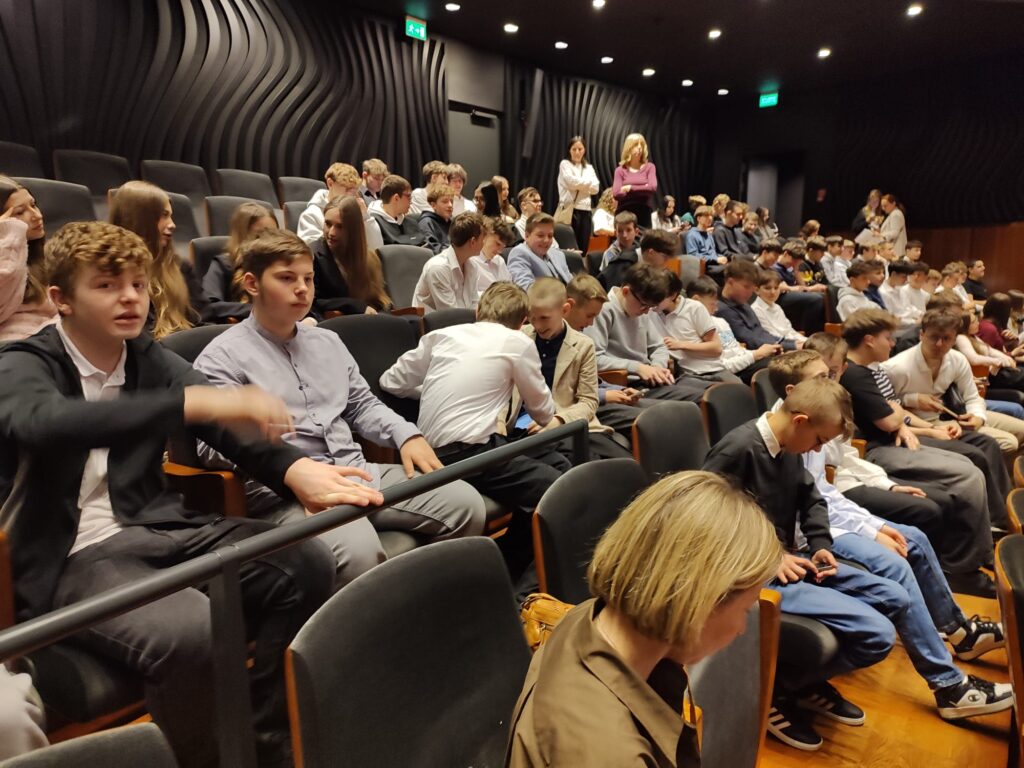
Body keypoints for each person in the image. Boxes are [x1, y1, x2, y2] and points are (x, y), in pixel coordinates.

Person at [0, 220, 389, 766]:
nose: (130, 297)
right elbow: (43, 423)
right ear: (61, 299)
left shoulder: (144, 354)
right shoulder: (22, 362)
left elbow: (224, 423)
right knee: (192, 630)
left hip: (156, 525)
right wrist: (191, 404)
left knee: (306, 563)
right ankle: (208, 758)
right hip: (72, 552)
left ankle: (265, 731)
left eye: (138, 283)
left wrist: (294, 469)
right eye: (107, 285)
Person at [194, 229, 484, 583]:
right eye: (286, 278)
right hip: (287, 494)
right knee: (359, 551)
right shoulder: (221, 357)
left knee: (466, 505)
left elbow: (361, 405)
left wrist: (407, 435)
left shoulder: (328, 341)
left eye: (308, 278)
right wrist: (264, 441)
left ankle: (424, 599)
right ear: (252, 284)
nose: (302, 289)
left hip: (356, 471)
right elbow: (210, 447)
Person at [768, 351, 1011, 722]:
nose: (831, 384)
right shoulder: (788, 435)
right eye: (821, 378)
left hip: (825, 523)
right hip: (809, 537)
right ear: (792, 392)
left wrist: (876, 526)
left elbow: (823, 493)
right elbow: (805, 513)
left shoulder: (813, 423)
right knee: (897, 563)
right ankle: (948, 684)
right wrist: (869, 529)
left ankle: (959, 632)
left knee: (912, 537)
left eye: (830, 375)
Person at [507, 470, 782, 768]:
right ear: (702, 603)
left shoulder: (584, 616)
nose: (741, 629)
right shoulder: (613, 756)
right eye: (744, 610)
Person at [703, 379, 898, 751]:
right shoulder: (737, 450)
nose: (819, 449)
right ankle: (776, 690)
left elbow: (812, 500)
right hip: (751, 572)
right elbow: (707, 525)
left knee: (894, 598)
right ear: (800, 421)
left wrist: (821, 544)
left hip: (789, 560)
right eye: (820, 440)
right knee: (878, 634)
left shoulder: (789, 446)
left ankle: (799, 683)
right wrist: (769, 556)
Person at [380, 281, 563, 582]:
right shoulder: (517, 342)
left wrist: (433, 392)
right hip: (472, 453)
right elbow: (543, 413)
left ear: (478, 311)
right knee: (557, 491)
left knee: (556, 462)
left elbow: (391, 381)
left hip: (430, 451)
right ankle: (520, 584)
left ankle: (506, 559)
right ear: (522, 322)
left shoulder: (442, 335)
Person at [840, 309, 1007, 575]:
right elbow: (890, 420)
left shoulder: (870, 370)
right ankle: (963, 566)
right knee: (968, 475)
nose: (893, 343)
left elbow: (895, 410)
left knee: (973, 460)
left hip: (897, 439)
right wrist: (903, 417)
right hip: (878, 449)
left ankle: (986, 542)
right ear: (869, 340)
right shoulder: (856, 374)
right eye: (888, 337)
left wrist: (909, 420)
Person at [504, 278, 632, 462]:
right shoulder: (518, 337)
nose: (537, 325)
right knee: (580, 462)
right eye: (531, 317)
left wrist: (559, 420)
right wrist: (499, 423)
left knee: (621, 462)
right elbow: (500, 392)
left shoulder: (583, 345)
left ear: (565, 310)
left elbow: (589, 401)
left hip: (568, 421)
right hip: (526, 427)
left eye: (544, 318)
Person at [885, 308, 1024, 459]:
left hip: (954, 413)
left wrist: (978, 417)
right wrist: (911, 399)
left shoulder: (957, 359)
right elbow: (883, 405)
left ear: (954, 340)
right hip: (921, 423)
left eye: (946, 338)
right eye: (934, 337)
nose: (939, 344)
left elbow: (972, 397)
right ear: (921, 335)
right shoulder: (896, 367)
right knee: (1009, 442)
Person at [585, 263, 710, 403]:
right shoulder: (602, 310)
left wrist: (657, 367)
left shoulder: (642, 309)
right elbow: (594, 359)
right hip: (625, 386)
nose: (646, 312)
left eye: (651, 307)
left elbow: (659, 346)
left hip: (649, 381)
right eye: (644, 305)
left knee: (713, 391)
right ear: (626, 292)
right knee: (700, 400)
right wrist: (638, 368)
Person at [109, 180, 205, 339]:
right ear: (140, 219)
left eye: (171, 216)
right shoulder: (111, 271)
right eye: (164, 216)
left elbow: (201, 318)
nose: (172, 225)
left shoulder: (179, 266)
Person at [687, 275, 780, 384]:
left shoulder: (720, 321)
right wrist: (756, 355)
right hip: (724, 374)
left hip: (740, 365)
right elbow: (720, 367)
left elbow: (735, 350)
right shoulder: (689, 330)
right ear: (696, 301)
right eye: (712, 304)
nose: (716, 309)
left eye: (716, 304)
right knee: (775, 367)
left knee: (781, 362)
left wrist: (762, 352)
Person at [650, 272, 738, 385]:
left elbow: (716, 348)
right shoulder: (650, 312)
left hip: (713, 370)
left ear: (672, 295)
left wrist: (681, 345)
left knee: (741, 391)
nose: (652, 300)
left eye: (658, 296)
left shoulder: (694, 308)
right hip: (687, 375)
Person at [312, 197, 391, 315]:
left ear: (354, 229)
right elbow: (313, 302)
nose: (331, 233)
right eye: (328, 224)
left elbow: (380, 300)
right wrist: (353, 305)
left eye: (340, 226)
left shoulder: (369, 258)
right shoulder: (313, 255)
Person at [0, 176, 56, 340]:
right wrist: (9, 235)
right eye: (19, 212)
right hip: (12, 346)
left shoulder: (47, 254)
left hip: (50, 339)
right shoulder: (6, 260)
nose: (36, 215)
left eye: (33, 205)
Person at [202, 201, 277, 322]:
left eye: (273, 234)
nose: (268, 240)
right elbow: (209, 306)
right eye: (259, 235)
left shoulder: (283, 265)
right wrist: (259, 311)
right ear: (242, 236)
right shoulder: (224, 264)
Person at [297, 162, 384, 251]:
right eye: (347, 189)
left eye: (354, 191)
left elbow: (376, 247)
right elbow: (313, 252)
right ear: (330, 183)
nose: (351, 196)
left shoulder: (354, 211)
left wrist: (365, 218)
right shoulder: (311, 214)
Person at [717, 259, 800, 352]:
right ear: (730, 282)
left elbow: (761, 333)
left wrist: (792, 343)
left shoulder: (743, 303)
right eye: (746, 287)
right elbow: (750, 340)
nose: (751, 292)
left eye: (752, 288)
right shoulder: (721, 309)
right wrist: (790, 346)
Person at [412, 212, 485, 312]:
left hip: (462, 319)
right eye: (482, 239)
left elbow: (474, 305)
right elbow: (450, 315)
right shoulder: (438, 268)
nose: (484, 243)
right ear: (473, 242)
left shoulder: (473, 266)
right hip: (434, 321)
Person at [507, 213, 572, 291]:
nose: (546, 240)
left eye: (550, 236)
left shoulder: (558, 254)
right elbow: (527, 288)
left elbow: (572, 284)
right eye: (540, 235)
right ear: (527, 236)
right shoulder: (519, 253)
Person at [557, 135, 600, 250]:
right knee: (570, 246)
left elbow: (596, 188)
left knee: (583, 247)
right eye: (574, 149)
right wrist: (588, 183)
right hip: (570, 209)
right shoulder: (565, 164)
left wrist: (579, 184)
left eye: (580, 149)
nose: (577, 152)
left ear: (584, 150)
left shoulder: (589, 168)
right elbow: (571, 182)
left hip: (586, 210)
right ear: (569, 150)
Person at [599, 229, 675, 290]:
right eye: (665, 257)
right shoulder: (625, 264)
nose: (667, 261)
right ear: (651, 252)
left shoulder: (648, 264)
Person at [612, 133, 657, 229]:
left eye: (642, 144)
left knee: (645, 238)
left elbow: (652, 188)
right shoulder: (620, 170)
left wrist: (629, 188)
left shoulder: (650, 167)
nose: (640, 147)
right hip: (624, 214)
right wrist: (643, 188)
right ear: (628, 147)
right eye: (636, 144)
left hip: (644, 214)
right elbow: (616, 194)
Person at [368, 174, 426, 247]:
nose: (411, 202)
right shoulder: (374, 224)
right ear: (396, 198)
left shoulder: (411, 221)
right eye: (408, 197)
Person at [753, 269, 807, 346]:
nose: (773, 292)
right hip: (781, 346)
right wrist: (798, 343)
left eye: (776, 288)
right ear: (757, 290)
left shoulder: (777, 307)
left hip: (792, 342)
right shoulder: (756, 310)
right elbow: (772, 336)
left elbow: (789, 331)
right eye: (767, 288)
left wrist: (806, 341)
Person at [470, 217, 515, 293]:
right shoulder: (470, 260)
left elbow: (509, 288)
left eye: (503, 247)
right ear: (485, 235)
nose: (500, 251)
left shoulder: (499, 260)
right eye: (497, 244)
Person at [417, 183, 455, 255]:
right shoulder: (426, 222)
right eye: (445, 202)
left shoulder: (453, 222)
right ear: (433, 205)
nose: (450, 205)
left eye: (451, 201)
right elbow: (432, 248)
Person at [878, 261, 918, 327]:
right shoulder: (883, 292)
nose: (906, 280)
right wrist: (914, 322)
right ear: (893, 274)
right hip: (897, 328)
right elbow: (891, 318)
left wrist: (921, 315)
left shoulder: (900, 288)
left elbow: (909, 308)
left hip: (910, 323)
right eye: (903, 277)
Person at [879, 193, 908, 258]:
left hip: (896, 250)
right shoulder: (893, 214)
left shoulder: (896, 214)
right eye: (882, 206)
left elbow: (894, 233)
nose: (883, 208)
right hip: (892, 250)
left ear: (893, 203)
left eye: (885, 206)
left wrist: (880, 235)